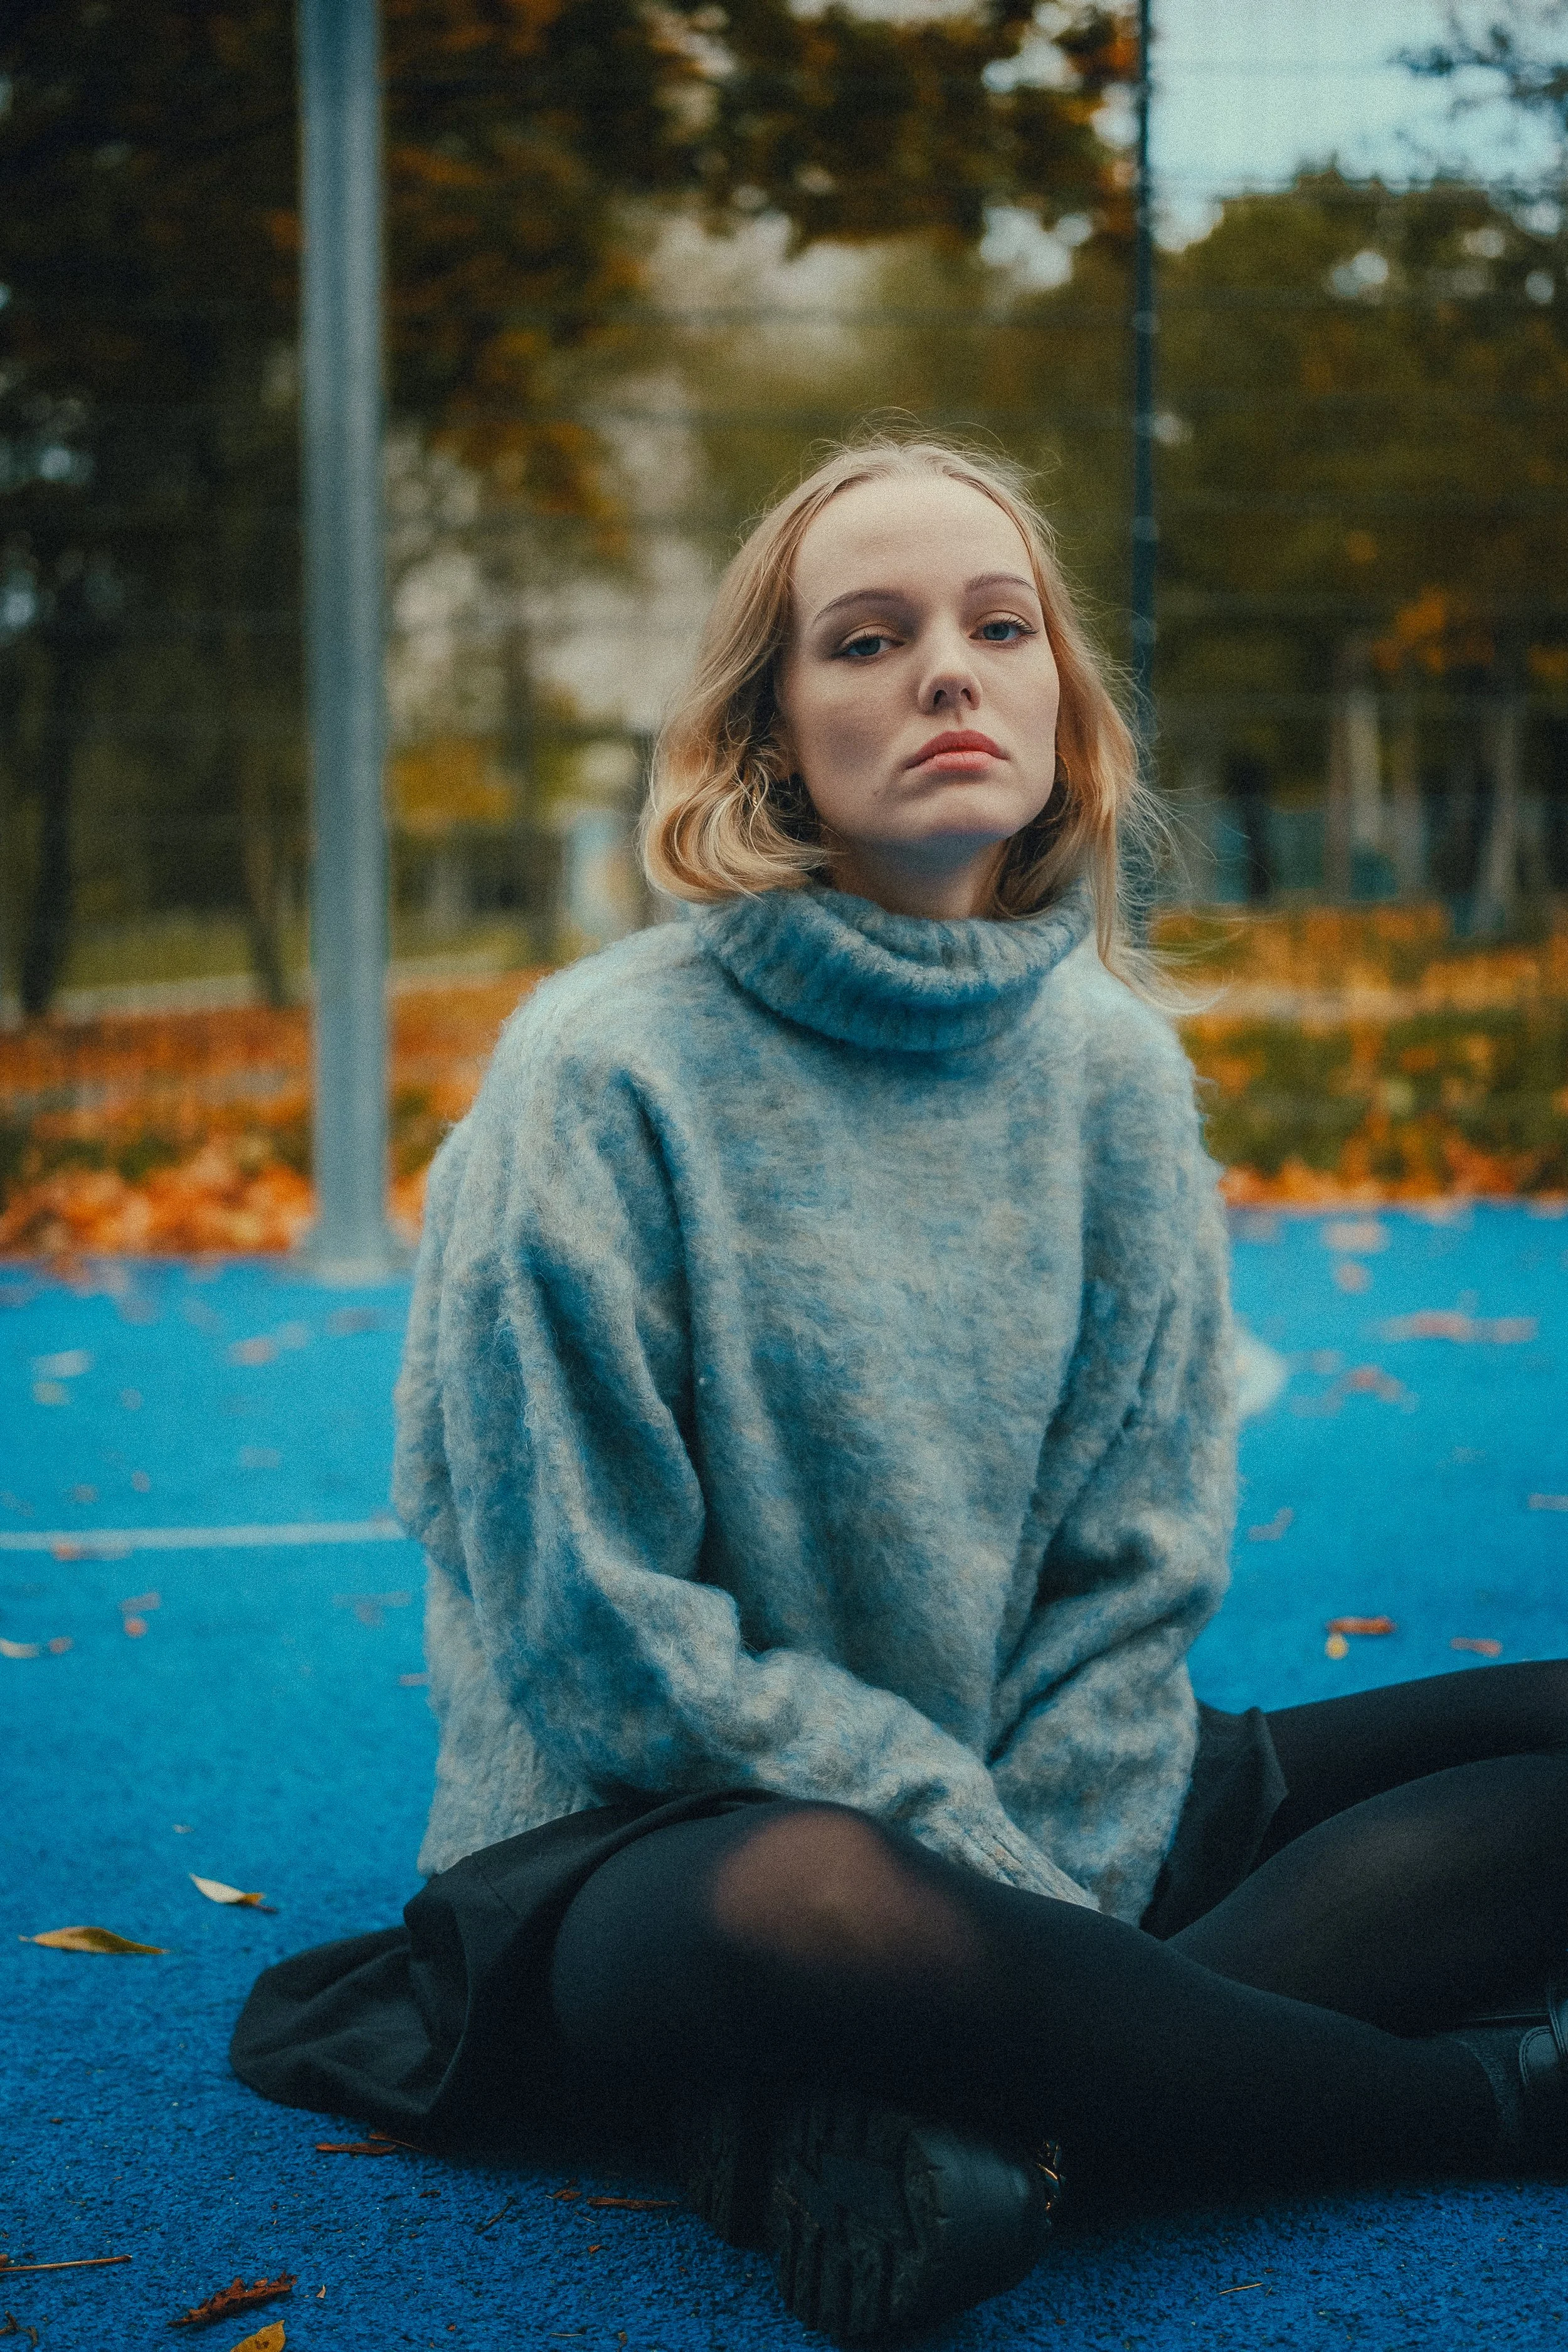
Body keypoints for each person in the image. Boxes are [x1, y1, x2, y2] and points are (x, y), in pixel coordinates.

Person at [233, 435, 1568, 2348]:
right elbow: (595, 1631)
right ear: (767, 736)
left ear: (1057, 699)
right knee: (827, 1898)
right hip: (658, 1833)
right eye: (865, 638)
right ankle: (1475, 2101)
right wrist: (989, 1878)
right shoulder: (600, 1073)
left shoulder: (1111, 1073)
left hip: (1052, 1789)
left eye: (996, 625)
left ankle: (973, 2119)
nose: (946, 670)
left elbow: (1130, 1571)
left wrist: (1046, 1887)